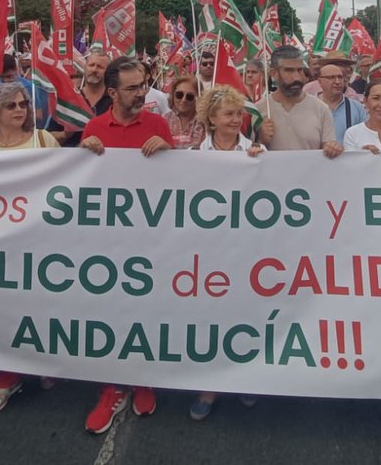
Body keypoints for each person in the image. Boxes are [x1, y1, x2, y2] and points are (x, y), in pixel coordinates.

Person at [77, 57, 173, 433]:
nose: (141, 93)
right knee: (109, 312)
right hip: (108, 241)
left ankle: (142, 377)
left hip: (149, 239)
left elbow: (180, 181)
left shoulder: (158, 123)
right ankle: (112, 386)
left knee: (145, 310)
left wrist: (168, 149)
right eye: (132, 88)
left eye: (143, 85)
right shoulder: (96, 126)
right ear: (112, 92)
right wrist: (85, 152)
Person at [0, 82, 58, 413]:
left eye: (23, 103)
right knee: (5, 310)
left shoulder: (43, 140)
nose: (20, 109)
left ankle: (46, 364)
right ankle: (7, 375)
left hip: (40, 239)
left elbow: (69, 180)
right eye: (11, 105)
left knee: (41, 308)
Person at [188, 84, 263, 420]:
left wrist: (262, 167)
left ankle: (245, 377)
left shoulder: (258, 153)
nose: (237, 119)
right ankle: (209, 384)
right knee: (209, 316)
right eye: (229, 114)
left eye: (239, 114)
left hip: (244, 248)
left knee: (243, 314)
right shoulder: (193, 154)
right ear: (212, 119)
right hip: (206, 249)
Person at [255, 47, 342, 158]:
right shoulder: (259, 109)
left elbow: (328, 152)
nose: (297, 77)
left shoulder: (321, 109)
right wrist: (261, 140)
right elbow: (247, 154)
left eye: (300, 70)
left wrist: (333, 149)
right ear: (274, 73)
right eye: (289, 70)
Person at [48, 50, 110, 147]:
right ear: (85, 68)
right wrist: (65, 134)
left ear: (108, 72)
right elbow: (47, 138)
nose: (94, 70)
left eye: (100, 67)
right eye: (91, 65)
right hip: (72, 160)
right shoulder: (68, 100)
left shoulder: (115, 101)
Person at [316, 59, 366, 144]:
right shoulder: (309, 106)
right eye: (331, 78)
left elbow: (366, 136)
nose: (337, 82)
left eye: (340, 77)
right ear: (320, 82)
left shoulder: (356, 107)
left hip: (347, 156)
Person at [165, 76, 204, 149]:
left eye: (190, 96)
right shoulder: (164, 120)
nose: (183, 100)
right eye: (179, 95)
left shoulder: (205, 122)